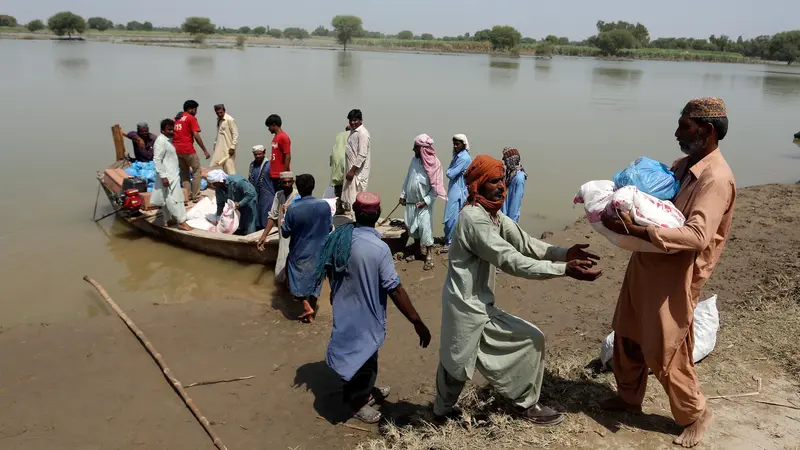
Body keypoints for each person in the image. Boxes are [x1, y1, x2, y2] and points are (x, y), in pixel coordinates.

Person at [599, 98, 735, 449]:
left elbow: (697, 236)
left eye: (684, 126)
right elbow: (653, 205)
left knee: (666, 348)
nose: (676, 133)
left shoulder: (715, 178)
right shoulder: (681, 165)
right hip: (646, 262)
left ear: (706, 131)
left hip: (676, 274)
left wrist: (642, 232)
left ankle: (695, 414)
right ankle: (629, 399)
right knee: (627, 333)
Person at [433, 155, 602, 426]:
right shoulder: (474, 220)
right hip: (466, 305)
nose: (502, 187)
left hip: (477, 303)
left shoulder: (494, 216)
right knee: (457, 361)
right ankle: (453, 410)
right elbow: (510, 259)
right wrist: (563, 270)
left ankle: (521, 401)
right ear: (478, 186)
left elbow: (525, 244)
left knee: (461, 356)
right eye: (494, 182)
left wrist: (564, 253)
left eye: (503, 180)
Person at [315, 192, 432, 424]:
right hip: (363, 310)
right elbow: (395, 288)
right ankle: (357, 403)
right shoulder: (379, 248)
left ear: (356, 214)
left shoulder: (340, 236)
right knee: (359, 354)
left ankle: (367, 390)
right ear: (378, 214)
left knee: (365, 352)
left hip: (346, 304)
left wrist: (332, 293)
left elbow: (329, 266)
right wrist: (416, 321)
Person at [281, 174, 332, 323]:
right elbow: (329, 227)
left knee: (293, 278)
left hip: (300, 251)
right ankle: (311, 314)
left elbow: (285, 233)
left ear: (299, 189)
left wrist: (285, 216)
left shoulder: (293, 209)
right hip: (320, 250)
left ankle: (306, 306)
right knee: (316, 281)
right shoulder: (324, 205)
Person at [400, 134, 446, 271]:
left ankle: (429, 257)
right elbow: (408, 178)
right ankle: (417, 252)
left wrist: (426, 201)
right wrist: (403, 195)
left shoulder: (435, 164)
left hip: (424, 204)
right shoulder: (414, 161)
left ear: (423, 149)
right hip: (411, 202)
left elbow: (436, 188)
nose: (413, 150)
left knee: (425, 229)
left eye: (416, 148)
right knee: (412, 228)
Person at [257, 172, 299, 283]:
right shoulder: (278, 195)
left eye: (289, 182)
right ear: (280, 183)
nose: (287, 184)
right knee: (281, 271)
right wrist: (263, 236)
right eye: (284, 182)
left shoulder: (297, 195)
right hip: (283, 236)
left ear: (293, 182)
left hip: (295, 236)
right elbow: (272, 216)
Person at [152, 119, 192, 231]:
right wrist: (163, 176)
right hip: (168, 176)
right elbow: (157, 159)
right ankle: (182, 222)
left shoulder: (168, 141)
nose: (172, 132)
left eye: (172, 129)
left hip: (171, 174)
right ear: (162, 130)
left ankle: (168, 220)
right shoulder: (161, 141)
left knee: (166, 198)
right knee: (175, 199)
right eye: (169, 129)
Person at [174, 100, 210, 202]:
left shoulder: (177, 118)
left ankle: (187, 196)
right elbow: (196, 135)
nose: (196, 112)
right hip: (188, 149)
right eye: (195, 109)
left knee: (184, 172)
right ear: (190, 109)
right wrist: (204, 150)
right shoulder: (191, 118)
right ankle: (196, 196)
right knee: (196, 171)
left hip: (177, 149)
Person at [442, 134, 472, 253]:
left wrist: (449, 171)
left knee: (452, 215)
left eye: (457, 143)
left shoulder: (464, 158)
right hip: (455, 187)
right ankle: (451, 240)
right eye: (454, 143)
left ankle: (451, 242)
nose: (455, 146)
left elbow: (450, 173)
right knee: (453, 215)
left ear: (463, 144)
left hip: (458, 189)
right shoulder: (458, 156)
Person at [207, 169, 258, 235]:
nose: (213, 186)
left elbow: (251, 194)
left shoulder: (237, 181)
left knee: (250, 225)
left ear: (220, 181)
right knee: (238, 225)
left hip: (248, 201)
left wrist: (240, 204)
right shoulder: (219, 189)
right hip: (236, 205)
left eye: (214, 184)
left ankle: (251, 240)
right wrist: (218, 217)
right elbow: (220, 204)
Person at [341, 109, 371, 217]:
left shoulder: (363, 134)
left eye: (355, 120)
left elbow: (362, 155)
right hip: (351, 170)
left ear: (360, 120)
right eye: (351, 121)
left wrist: (352, 171)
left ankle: (357, 223)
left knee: (356, 199)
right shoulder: (354, 131)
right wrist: (350, 129)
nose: (353, 123)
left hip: (358, 173)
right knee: (350, 198)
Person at [249, 145, 274, 231]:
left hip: (268, 194)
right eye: (256, 154)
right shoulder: (252, 165)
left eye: (260, 154)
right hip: (256, 193)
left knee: (266, 215)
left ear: (264, 153)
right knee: (256, 214)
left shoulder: (269, 165)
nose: (258, 156)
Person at [266, 114, 291, 196]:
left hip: (280, 175)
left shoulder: (283, 137)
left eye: (269, 126)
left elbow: (288, 155)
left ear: (274, 125)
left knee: (283, 197)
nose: (268, 129)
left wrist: (284, 174)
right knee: (277, 197)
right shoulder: (276, 137)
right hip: (274, 174)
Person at [500, 147, 527, 223]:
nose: (505, 163)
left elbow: (515, 204)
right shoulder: (510, 175)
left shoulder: (519, 178)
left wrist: (510, 224)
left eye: (506, 160)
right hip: (504, 216)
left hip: (509, 220)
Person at [212, 104, 238, 174]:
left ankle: (233, 184)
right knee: (225, 170)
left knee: (230, 169)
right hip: (221, 149)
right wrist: (215, 143)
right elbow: (218, 134)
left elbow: (235, 134)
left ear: (224, 111)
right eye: (217, 113)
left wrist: (232, 147)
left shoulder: (230, 120)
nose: (219, 114)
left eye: (221, 112)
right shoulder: (219, 120)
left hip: (229, 150)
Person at [330, 125, 350, 214]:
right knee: (349, 185)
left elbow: (331, 157)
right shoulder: (352, 135)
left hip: (337, 160)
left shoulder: (339, 137)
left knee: (338, 185)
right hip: (347, 160)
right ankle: (348, 206)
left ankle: (339, 207)